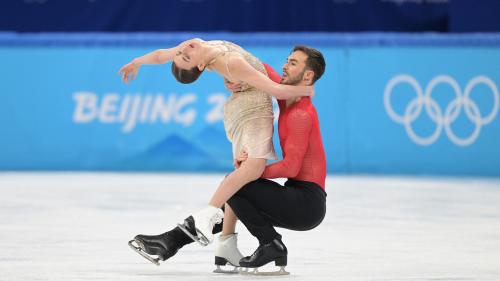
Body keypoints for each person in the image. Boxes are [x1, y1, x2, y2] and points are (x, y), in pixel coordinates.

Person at [118, 39, 313, 269]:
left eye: (182, 51)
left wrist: (136, 62)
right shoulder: (229, 62)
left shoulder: (193, 48)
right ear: (200, 66)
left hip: (244, 107)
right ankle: (208, 214)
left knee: (238, 179)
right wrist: (307, 90)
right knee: (251, 170)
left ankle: (225, 243)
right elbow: (275, 89)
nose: (185, 49)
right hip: (252, 112)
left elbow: (162, 54)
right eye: (185, 56)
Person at [226, 45, 327, 275]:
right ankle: (262, 243)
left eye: (293, 63)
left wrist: (252, 170)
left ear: (308, 75)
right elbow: (260, 69)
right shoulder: (286, 99)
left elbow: (291, 167)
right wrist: (232, 74)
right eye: (287, 60)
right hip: (298, 196)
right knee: (235, 185)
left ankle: (270, 243)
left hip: (307, 205)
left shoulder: (301, 114)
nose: (285, 65)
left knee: (235, 184)